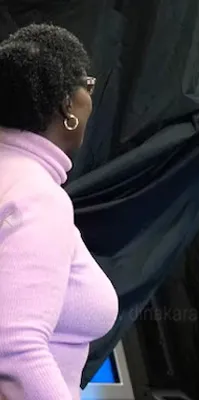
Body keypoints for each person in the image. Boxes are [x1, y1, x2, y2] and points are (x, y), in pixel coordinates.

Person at [0, 24, 119, 399]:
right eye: (88, 85)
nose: (90, 99)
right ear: (68, 105)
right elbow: (15, 350)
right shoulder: (37, 196)